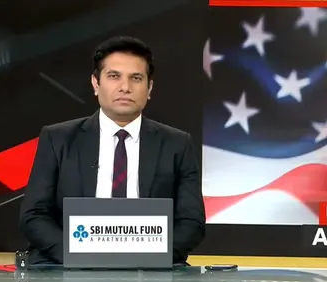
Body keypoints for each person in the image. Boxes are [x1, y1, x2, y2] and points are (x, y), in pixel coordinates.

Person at [19, 36, 205, 265]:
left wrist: (149, 258)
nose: (125, 87)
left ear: (149, 88)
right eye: (114, 76)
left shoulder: (177, 144)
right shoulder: (57, 138)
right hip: (67, 266)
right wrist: (77, 256)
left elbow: (191, 222)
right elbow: (34, 215)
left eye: (136, 78)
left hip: (151, 269)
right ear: (96, 84)